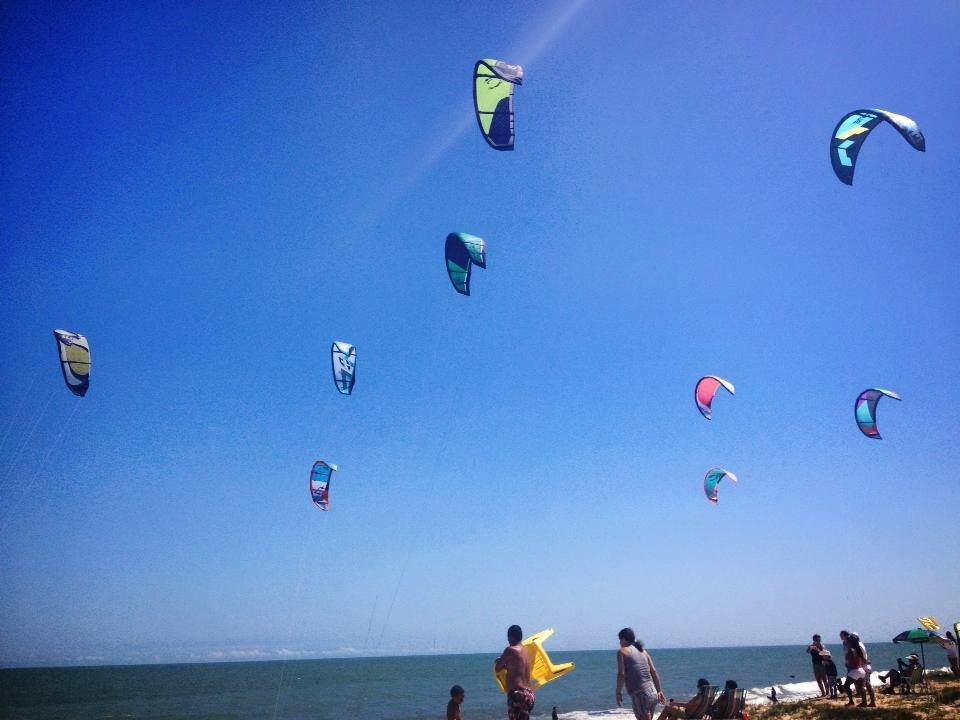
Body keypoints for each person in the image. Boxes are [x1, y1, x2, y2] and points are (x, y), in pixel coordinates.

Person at [615, 628, 666, 720]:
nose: (619, 642)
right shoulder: (643, 651)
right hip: (652, 692)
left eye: (620, 639)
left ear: (624, 639)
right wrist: (659, 690)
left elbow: (621, 674)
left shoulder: (622, 652)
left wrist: (618, 692)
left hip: (641, 694)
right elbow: (653, 671)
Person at [495, 625, 535, 720]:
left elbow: (497, 668)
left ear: (511, 637)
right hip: (529, 695)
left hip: (518, 695)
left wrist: (498, 661)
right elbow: (518, 667)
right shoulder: (526, 652)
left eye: (508, 638)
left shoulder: (510, 650)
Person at [840, 630, 867, 707]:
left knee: (846, 686)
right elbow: (862, 659)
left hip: (855, 670)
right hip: (861, 670)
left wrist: (848, 665)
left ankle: (851, 701)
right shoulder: (857, 649)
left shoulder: (851, 650)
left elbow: (851, 662)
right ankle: (864, 702)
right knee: (861, 687)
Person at [849, 633, 876, 707]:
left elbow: (861, 658)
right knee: (867, 685)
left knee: (862, 686)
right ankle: (872, 702)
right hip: (867, 667)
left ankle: (864, 702)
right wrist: (867, 662)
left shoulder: (857, 647)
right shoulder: (861, 645)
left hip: (863, 667)